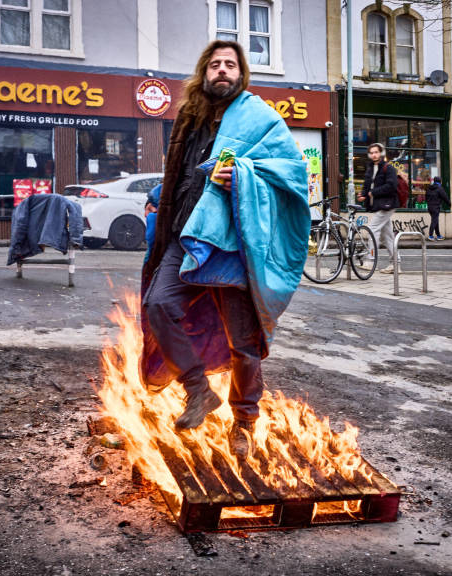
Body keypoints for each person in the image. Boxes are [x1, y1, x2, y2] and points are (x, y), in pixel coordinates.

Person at [139, 40, 310, 458]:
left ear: (241, 73)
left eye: (230, 64)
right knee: (158, 305)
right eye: (215, 64)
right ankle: (198, 389)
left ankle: (245, 421)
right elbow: (184, 177)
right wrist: (162, 196)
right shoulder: (190, 120)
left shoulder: (259, 116)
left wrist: (247, 180)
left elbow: (293, 173)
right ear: (204, 72)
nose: (222, 70)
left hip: (233, 243)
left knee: (243, 342)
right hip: (185, 235)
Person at [356, 143, 399, 274]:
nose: (374, 154)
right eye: (372, 152)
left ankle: (371, 260)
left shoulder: (388, 168)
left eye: (376, 152)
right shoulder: (370, 168)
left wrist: (373, 192)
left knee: (372, 229)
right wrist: (363, 195)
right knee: (388, 237)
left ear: (381, 153)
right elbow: (367, 185)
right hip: (379, 205)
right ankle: (396, 264)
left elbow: (391, 186)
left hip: (387, 205)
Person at [425, 176, 449, 241]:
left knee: (435, 221)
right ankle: (430, 235)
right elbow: (445, 197)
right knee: (434, 221)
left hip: (429, 207)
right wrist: (449, 204)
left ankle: (438, 235)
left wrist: (429, 203)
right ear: (440, 181)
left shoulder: (429, 188)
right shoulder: (440, 188)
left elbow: (426, 197)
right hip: (435, 207)